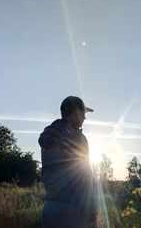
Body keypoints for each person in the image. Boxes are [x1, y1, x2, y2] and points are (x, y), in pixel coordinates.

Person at [38, 96, 98, 228]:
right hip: (72, 212)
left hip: (50, 207)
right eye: (83, 113)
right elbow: (84, 179)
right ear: (76, 112)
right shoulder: (78, 138)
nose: (85, 118)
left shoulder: (49, 135)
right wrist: (92, 216)